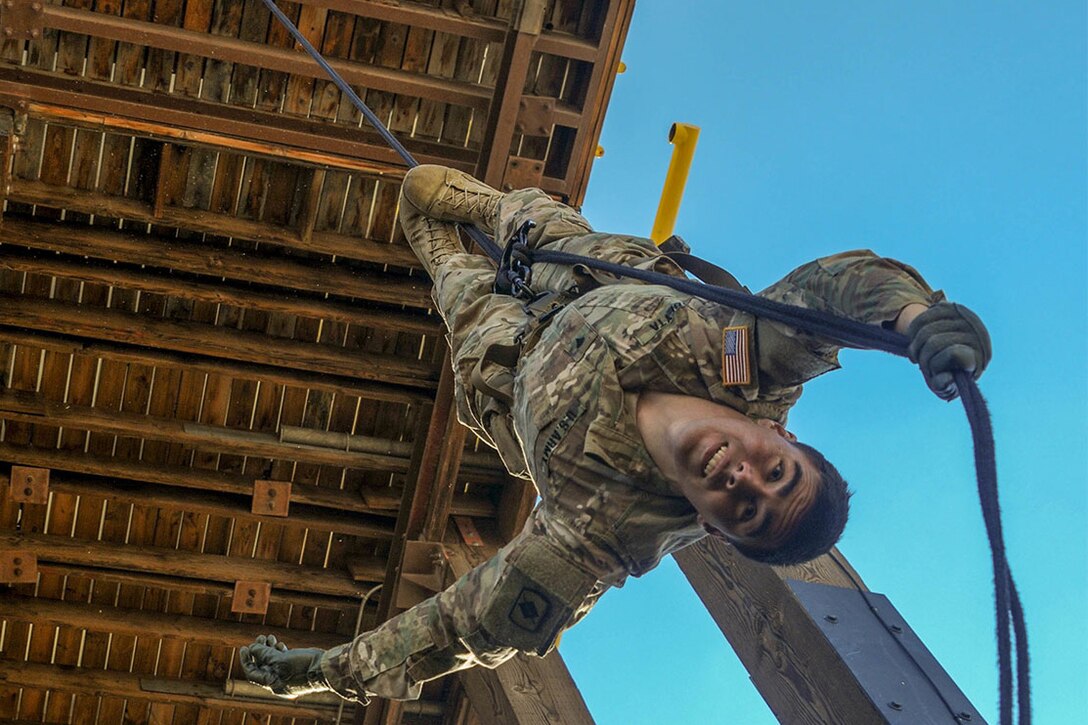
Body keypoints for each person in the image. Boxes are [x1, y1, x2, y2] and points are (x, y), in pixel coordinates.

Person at [239, 166, 991, 703]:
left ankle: (446, 262)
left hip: (506, 357)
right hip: (580, 272)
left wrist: (325, 671)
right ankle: (495, 211)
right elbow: (837, 292)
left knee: (450, 275)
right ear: (783, 436)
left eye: (750, 512)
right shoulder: (748, 361)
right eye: (779, 474)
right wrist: (916, 320)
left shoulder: (602, 537)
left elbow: (465, 626)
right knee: (475, 204)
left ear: (716, 528)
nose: (746, 482)